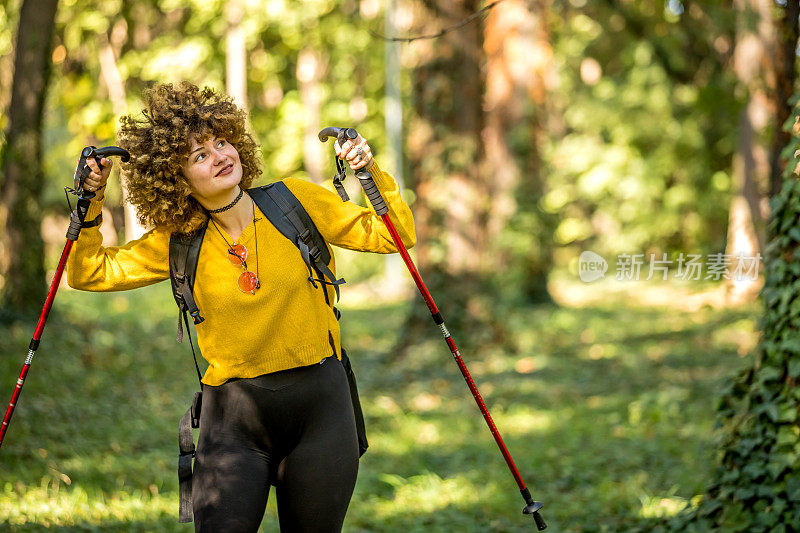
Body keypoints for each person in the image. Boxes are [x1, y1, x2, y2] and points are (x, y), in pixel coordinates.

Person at [66, 81, 416, 532]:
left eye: (221, 141)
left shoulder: (295, 201)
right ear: (176, 178)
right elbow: (88, 271)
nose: (220, 155)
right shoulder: (179, 240)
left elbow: (396, 234)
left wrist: (368, 172)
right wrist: (90, 204)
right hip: (231, 421)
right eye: (199, 155)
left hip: (321, 408)